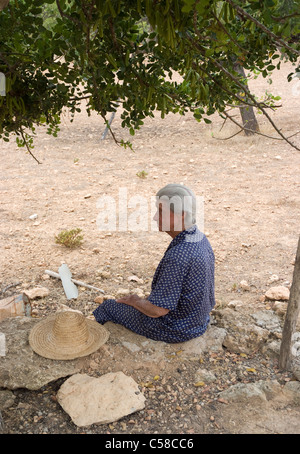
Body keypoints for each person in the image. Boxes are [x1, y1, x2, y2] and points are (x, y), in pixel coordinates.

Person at [93, 183, 215, 343]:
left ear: (182, 215)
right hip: (198, 321)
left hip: (177, 329)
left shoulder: (178, 256)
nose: (155, 217)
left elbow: (157, 311)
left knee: (107, 308)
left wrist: (135, 301)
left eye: (162, 211)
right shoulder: (199, 238)